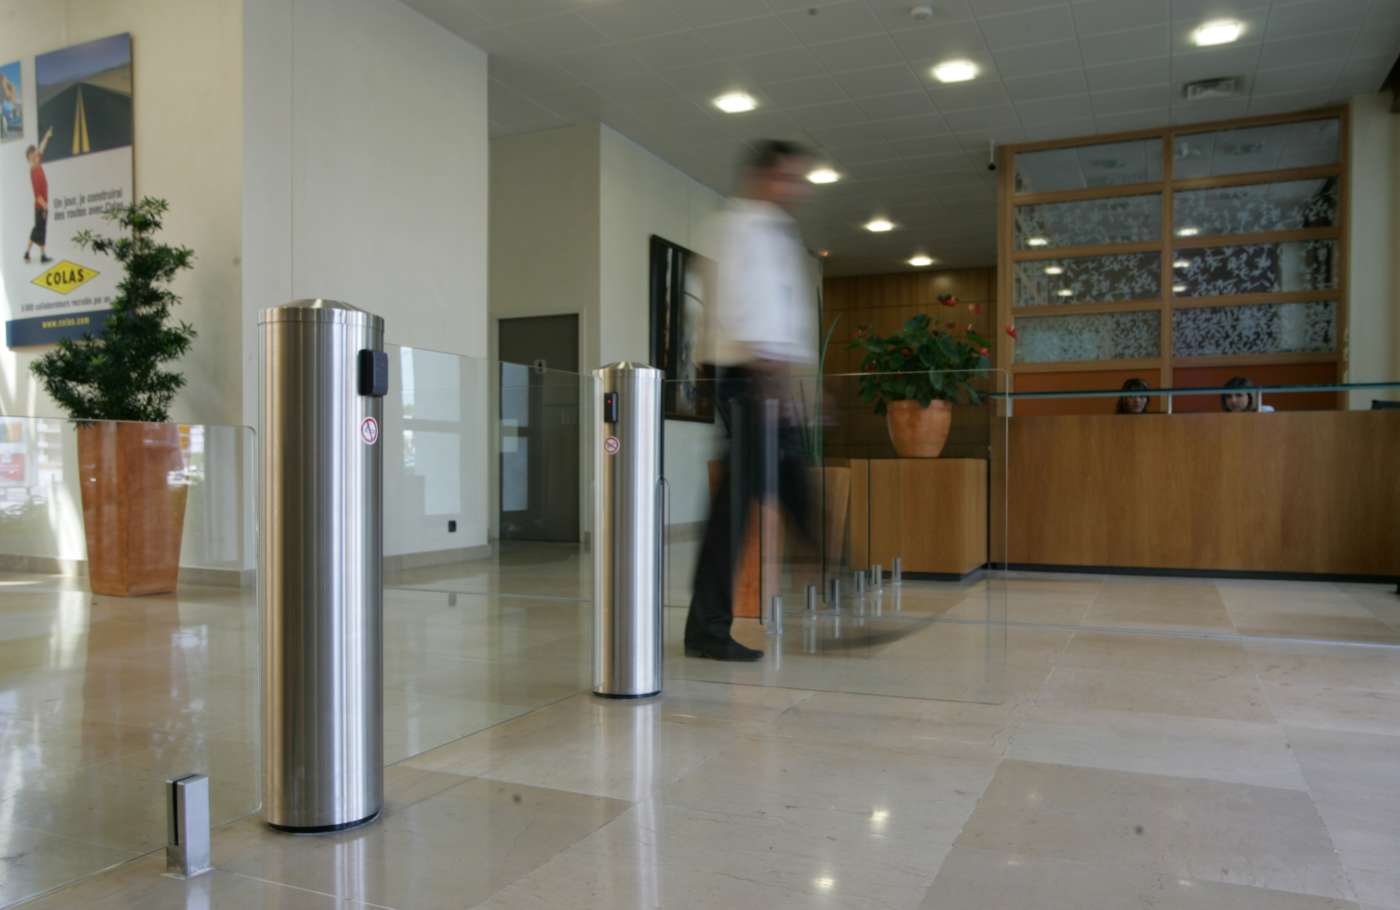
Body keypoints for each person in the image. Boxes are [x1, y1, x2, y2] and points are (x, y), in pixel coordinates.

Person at [686, 139, 817, 662]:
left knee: (786, 491)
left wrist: (796, 384)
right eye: (789, 177)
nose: (796, 188)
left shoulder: (779, 233)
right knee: (741, 506)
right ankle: (708, 627)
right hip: (746, 376)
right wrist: (772, 376)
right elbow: (736, 308)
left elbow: (787, 318)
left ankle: (834, 589)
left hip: (769, 378)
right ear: (764, 176)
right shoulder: (733, 227)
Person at [24, 125, 54, 264]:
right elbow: (37, 194)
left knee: (38, 230)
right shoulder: (34, 171)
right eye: (34, 154)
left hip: (40, 206)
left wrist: (47, 136)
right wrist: (45, 206)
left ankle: (31, 254)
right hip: (40, 206)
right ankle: (38, 255)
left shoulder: (37, 164)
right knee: (39, 231)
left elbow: (42, 147)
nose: (37, 155)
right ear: (30, 157)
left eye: (36, 154)